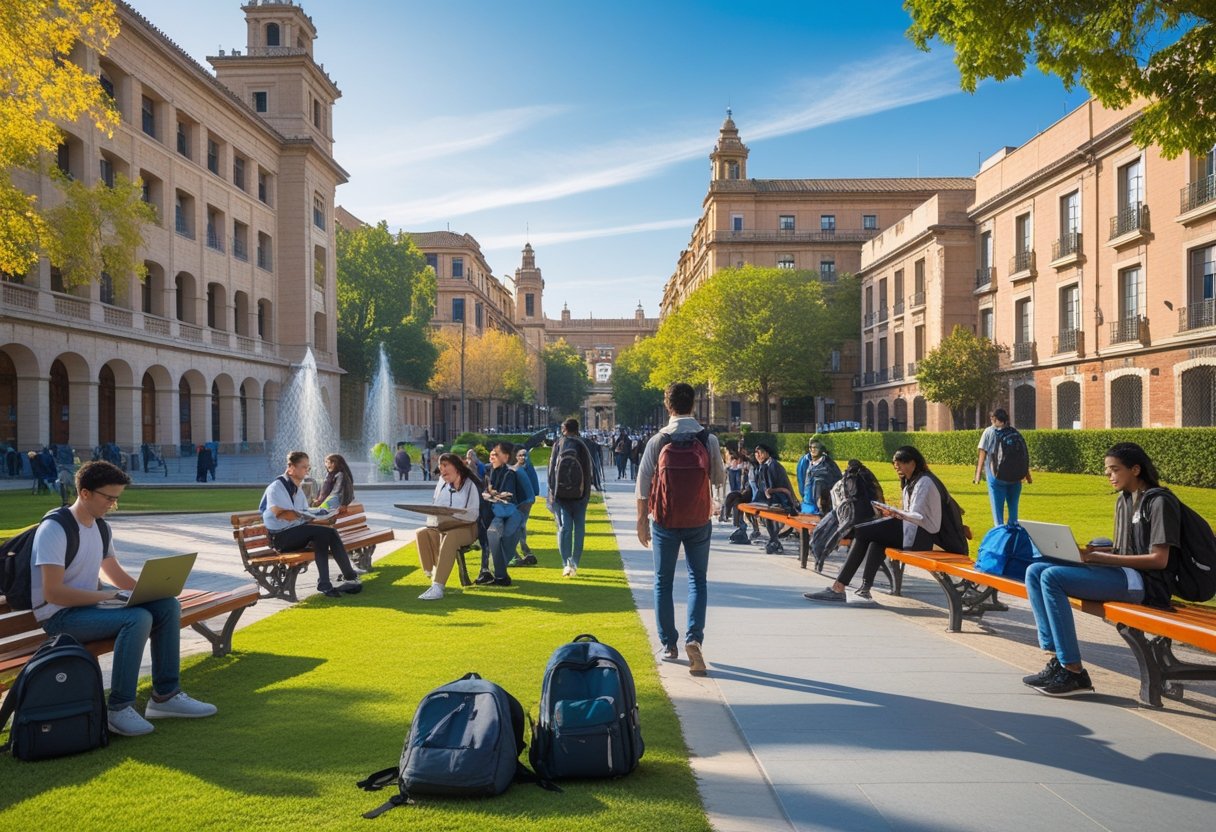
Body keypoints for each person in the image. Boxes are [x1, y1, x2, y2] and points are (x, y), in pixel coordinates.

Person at [31, 460, 217, 737]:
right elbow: (53, 593)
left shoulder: (101, 528)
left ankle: (165, 697)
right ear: (85, 493)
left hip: (89, 607)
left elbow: (116, 576)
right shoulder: (55, 529)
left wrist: (153, 590)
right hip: (59, 616)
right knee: (137, 618)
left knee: (166, 606)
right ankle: (118, 709)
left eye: (116, 499)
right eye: (109, 498)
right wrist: (104, 595)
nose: (113, 505)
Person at [1021, 442, 1175, 697]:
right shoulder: (1124, 500)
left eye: (1115, 470)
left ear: (1135, 469)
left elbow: (1159, 559)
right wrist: (1089, 554)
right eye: (1107, 472)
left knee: (1051, 577)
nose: (1110, 477)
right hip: (1122, 575)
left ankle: (1073, 671)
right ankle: (1057, 659)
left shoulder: (1159, 502)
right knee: (1035, 571)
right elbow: (1124, 551)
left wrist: (1103, 559)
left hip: (1145, 584)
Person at [636, 382, 725, 676]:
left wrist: (641, 521)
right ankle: (694, 638)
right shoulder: (707, 438)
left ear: (668, 405)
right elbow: (718, 478)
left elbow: (643, 484)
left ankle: (669, 645)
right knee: (698, 580)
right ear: (693, 404)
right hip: (699, 519)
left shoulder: (658, 440)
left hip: (664, 520)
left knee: (663, 582)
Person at [804, 445, 949, 603]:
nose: (897, 469)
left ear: (912, 463)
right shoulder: (911, 482)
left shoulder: (924, 483)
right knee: (874, 536)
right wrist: (891, 513)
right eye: (895, 466)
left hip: (923, 537)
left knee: (863, 532)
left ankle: (839, 588)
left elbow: (918, 516)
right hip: (913, 532)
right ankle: (863, 590)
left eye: (900, 464)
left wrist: (895, 513)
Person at [260, 451, 362, 598]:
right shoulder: (277, 487)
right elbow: (280, 514)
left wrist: (326, 513)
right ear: (291, 468)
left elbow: (303, 512)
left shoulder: (297, 489)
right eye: (304, 467)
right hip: (280, 538)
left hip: (293, 532)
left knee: (328, 533)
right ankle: (340, 580)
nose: (307, 470)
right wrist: (306, 515)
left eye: (308, 467)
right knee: (323, 533)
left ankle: (341, 581)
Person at [415, 452, 481, 601]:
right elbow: (436, 506)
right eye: (440, 466)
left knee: (451, 537)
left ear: (456, 467)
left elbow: (473, 514)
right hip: (445, 526)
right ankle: (432, 574)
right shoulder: (442, 484)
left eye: (445, 466)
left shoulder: (470, 485)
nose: (442, 470)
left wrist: (453, 516)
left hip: (468, 527)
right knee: (422, 533)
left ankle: (438, 587)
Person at [547, 418, 599, 577]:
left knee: (565, 528)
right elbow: (590, 470)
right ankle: (575, 562)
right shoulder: (584, 444)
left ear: (564, 429)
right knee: (580, 529)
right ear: (578, 429)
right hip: (580, 495)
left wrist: (552, 491)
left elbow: (551, 469)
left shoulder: (558, 444)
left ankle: (565, 563)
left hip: (561, 495)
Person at [474, 441, 523, 586]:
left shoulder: (509, 474)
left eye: (496, 454)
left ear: (506, 457)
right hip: (488, 513)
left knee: (495, 537)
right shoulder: (488, 471)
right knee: (488, 539)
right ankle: (492, 573)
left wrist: (493, 495)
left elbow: (508, 496)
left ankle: (498, 574)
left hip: (502, 514)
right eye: (492, 453)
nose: (492, 456)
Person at [975, 408, 1032, 526]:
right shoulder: (1014, 432)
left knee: (998, 515)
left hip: (997, 477)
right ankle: (1014, 535)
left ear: (994, 419)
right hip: (1016, 478)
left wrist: (977, 475)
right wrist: (1027, 476)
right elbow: (1022, 456)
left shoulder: (989, 432)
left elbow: (982, 453)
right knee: (1013, 512)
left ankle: (1000, 535)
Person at [750, 443, 797, 554]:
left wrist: (770, 492)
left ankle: (774, 540)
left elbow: (781, 487)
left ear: (767, 453)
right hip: (769, 497)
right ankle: (773, 540)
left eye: (760, 453)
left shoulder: (774, 466)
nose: (758, 456)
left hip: (781, 498)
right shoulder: (762, 466)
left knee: (769, 512)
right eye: (756, 453)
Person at [509, 446, 540, 567]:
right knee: (521, 526)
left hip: (525, 502)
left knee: (518, 526)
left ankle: (520, 553)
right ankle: (526, 551)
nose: (522, 457)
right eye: (520, 455)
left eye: (524, 455)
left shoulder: (523, 469)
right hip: (524, 501)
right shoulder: (519, 468)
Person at [796, 439, 842, 515]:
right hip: (807, 504)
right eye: (811, 447)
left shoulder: (828, 465)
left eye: (816, 447)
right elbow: (801, 482)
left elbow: (837, 482)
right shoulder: (807, 462)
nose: (812, 449)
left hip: (822, 507)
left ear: (821, 450)